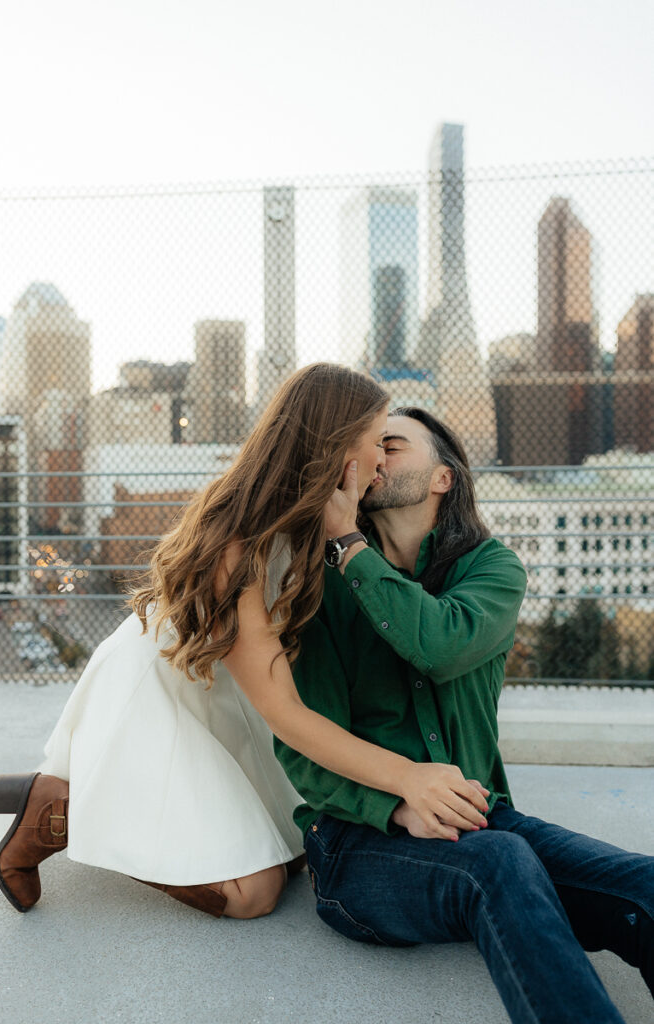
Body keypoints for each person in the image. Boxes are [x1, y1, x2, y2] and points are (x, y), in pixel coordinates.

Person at [0, 365, 489, 922]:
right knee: (253, 893)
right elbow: (285, 713)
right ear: (336, 447)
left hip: (233, 693)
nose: (382, 461)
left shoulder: (333, 520)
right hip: (166, 689)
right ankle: (57, 808)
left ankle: (91, 797)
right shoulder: (240, 540)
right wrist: (406, 778)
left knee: (294, 848)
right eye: (377, 443)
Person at [275, 406, 654, 1024]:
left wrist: (348, 545)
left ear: (442, 478)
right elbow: (301, 748)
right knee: (499, 865)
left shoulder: (493, 569)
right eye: (369, 447)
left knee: (644, 887)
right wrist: (398, 802)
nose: (373, 458)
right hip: (356, 849)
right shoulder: (322, 587)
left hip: (481, 821)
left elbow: (440, 644)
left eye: (391, 445)